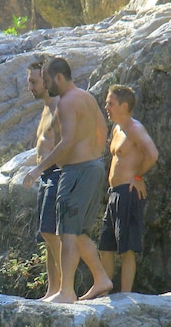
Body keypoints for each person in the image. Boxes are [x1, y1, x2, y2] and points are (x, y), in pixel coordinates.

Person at [23, 57, 112, 303]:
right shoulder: (86, 97)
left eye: (47, 79)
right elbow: (103, 128)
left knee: (67, 233)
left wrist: (37, 169)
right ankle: (101, 279)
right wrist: (94, 155)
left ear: (58, 77)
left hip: (76, 171)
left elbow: (67, 141)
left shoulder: (66, 102)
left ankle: (66, 292)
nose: (47, 85)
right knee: (79, 232)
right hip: (92, 167)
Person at [99, 85, 158, 293]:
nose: (106, 106)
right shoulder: (117, 129)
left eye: (110, 103)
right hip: (114, 193)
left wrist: (138, 176)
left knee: (126, 248)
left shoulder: (135, 128)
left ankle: (125, 294)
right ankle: (104, 290)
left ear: (124, 106)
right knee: (106, 246)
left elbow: (152, 154)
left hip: (128, 192)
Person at [25, 60, 63, 300]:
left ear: (46, 81)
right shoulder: (46, 107)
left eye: (34, 81)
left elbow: (64, 146)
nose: (30, 86)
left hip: (56, 174)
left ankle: (66, 287)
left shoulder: (59, 108)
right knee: (47, 236)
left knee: (52, 234)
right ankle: (52, 289)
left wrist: (38, 170)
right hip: (45, 176)